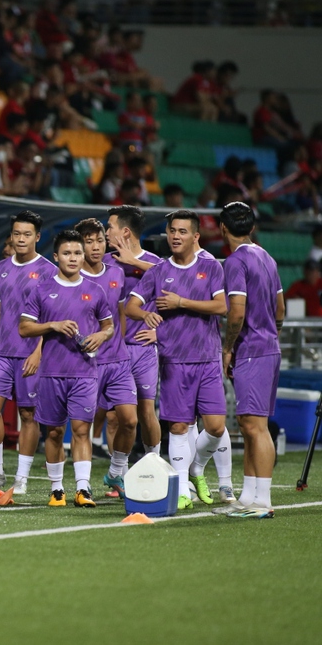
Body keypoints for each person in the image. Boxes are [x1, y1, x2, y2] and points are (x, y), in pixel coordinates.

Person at [125, 210, 228, 511]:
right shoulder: (157, 271)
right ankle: (182, 488)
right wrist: (145, 314)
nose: (175, 236)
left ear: (195, 237)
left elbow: (221, 305)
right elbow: (131, 305)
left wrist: (181, 302)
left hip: (207, 359)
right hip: (173, 361)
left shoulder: (210, 268)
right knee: (180, 428)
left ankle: (196, 470)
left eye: (183, 231)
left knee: (216, 427)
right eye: (172, 231)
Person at [19, 230, 113, 507]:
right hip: (51, 373)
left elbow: (109, 326)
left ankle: (83, 489)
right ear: (56, 256)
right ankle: (57, 489)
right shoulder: (41, 289)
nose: (73, 258)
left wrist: (101, 335)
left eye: (78, 253)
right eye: (67, 253)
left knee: (82, 431)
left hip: (84, 372)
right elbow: (24, 328)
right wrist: (53, 325)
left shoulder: (95, 290)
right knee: (54, 433)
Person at [0, 210, 57, 494]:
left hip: (31, 353)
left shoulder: (49, 271)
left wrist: (39, 351)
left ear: (37, 237)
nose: (21, 239)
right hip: (2, 352)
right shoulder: (0, 268)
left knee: (28, 413)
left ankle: (21, 477)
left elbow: (51, 316)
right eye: (17, 234)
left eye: (27, 234)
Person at [215, 202, 284, 518]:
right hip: (267, 347)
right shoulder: (267, 257)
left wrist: (228, 347)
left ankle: (263, 501)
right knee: (249, 423)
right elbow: (279, 308)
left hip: (252, 350)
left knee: (255, 427)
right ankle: (249, 496)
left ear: (222, 228)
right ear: (252, 227)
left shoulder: (235, 262)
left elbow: (237, 311)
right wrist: (271, 334)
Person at [75, 218, 138, 498]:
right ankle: (83, 485)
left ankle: (116, 471)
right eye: (89, 242)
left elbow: (121, 312)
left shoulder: (117, 273)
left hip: (118, 361)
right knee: (83, 426)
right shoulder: (70, 277)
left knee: (129, 421)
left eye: (99, 240)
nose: (96, 246)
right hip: (86, 364)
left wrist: (119, 342)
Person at [104, 206, 163, 457]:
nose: (106, 232)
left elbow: (177, 290)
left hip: (143, 348)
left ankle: (154, 463)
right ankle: (117, 472)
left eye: (110, 227)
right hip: (114, 349)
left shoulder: (156, 263)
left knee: (146, 411)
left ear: (125, 232)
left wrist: (161, 334)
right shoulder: (105, 262)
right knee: (114, 416)